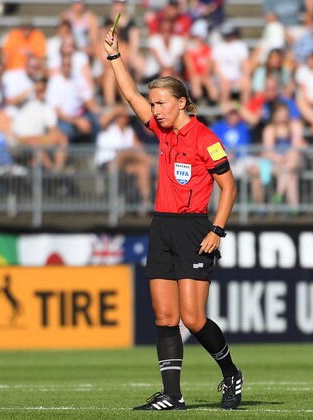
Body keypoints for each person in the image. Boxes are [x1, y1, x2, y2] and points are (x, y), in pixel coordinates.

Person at [104, 26, 243, 411]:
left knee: (193, 318)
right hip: (161, 226)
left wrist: (217, 229)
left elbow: (229, 188)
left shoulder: (205, 139)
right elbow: (129, 94)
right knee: (165, 316)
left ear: (181, 103)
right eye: (154, 103)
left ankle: (231, 373)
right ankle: (172, 394)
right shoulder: (163, 133)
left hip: (195, 228)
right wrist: (115, 57)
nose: (155, 109)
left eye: (161, 103)